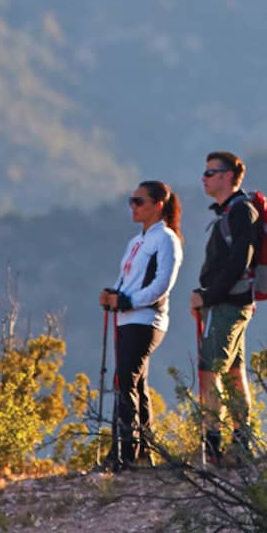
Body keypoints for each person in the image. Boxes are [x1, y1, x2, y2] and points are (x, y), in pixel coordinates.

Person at [99, 180, 183, 469]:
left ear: (158, 205)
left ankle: (125, 456)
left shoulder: (166, 239)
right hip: (127, 319)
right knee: (136, 383)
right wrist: (113, 294)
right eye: (131, 201)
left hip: (146, 319)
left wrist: (126, 301)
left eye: (139, 201)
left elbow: (162, 285)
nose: (132, 207)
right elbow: (129, 280)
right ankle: (141, 454)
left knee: (125, 382)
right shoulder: (136, 241)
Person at [192, 151, 257, 465]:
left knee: (209, 371)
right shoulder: (232, 211)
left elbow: (239, 262)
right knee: (233, 372)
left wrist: (209, 297)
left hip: (227, 304)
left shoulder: (241, 211)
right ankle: (242, 442)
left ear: (228, 176)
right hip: (232, 302)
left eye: (210, 173)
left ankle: (214, 446)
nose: (203, 178)